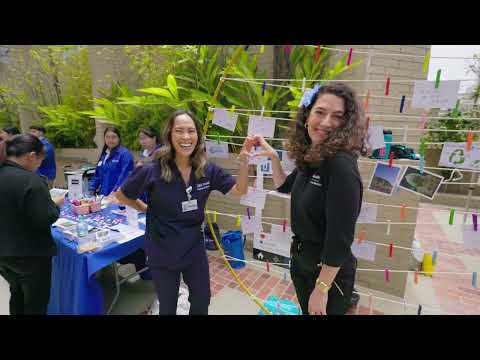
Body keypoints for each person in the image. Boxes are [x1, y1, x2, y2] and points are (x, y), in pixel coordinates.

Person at [114, 109, 251, 315]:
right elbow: (123, 195)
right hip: (162, 247)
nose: (186, 137)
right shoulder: (152, 170)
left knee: (201, 300)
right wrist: (145, 208)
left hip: (193, 247)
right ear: (169, 135)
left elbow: (239, 190)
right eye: (179, 131)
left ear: (198, 136)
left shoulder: (207, 170)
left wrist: (244, 163)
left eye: (191, 131)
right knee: (168, 307)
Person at [251, 82, 367, 315]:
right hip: (302, 261)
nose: (326, 123)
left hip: (326, 274)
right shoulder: (314, 155)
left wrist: (322, 289)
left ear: (347, 124)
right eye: (320, 112)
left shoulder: (340, 166)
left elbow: (340, 239)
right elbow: (286, 186)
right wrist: (274, 157)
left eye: (337, 116)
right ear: (307, 115)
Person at [0, 134, 65, 315]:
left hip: (5, 253)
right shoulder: (31, 180)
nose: (39, 166)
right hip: (30, 256)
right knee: (36, 303)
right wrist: (54, 205)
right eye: (39, 161)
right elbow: (46, 218)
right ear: (31, 155)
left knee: (17, 293)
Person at [89, 126, 134, 197]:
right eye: (107, 137)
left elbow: (125, 177)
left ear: (119, 138)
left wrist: (114, 193)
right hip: (103, 197)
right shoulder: (104, 155)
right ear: (104, 138)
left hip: (118, 198)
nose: (110, 140)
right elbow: (97, 175)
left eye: (114, 137)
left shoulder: (124, 154)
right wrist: (91, 189)